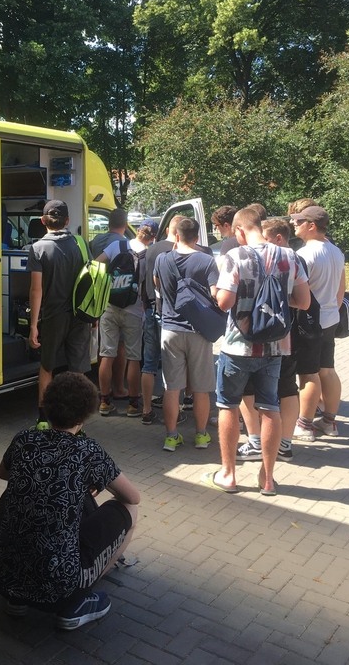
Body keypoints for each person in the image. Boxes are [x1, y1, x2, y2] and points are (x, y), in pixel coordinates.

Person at [0, 372, 140, 630]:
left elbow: (4, 473)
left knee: (14, 494)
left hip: (1, 576)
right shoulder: (88, 451)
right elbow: (133, 497)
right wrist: (91, 482)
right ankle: (78, 599)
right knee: (129, 510)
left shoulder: (24, 439)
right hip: (59, 588)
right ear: (84, 416)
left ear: (48, 406)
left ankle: (17, 598)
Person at [203, 208, 309, 496]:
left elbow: (225, 303)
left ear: (239, 230)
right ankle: (268, 479)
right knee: (270, 407)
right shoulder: (289, 256)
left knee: (227, 405)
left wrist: (219, 293)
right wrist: (275, 299)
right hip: (275, 346)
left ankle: (228, 475)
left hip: (238, 346)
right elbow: (303, 301)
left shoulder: (235, 256)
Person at [236, 218, 318, 463]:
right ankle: (285, 444)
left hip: (256, 335)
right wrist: (283, 299)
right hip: (286, 334)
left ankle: (255, 442)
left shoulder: (253, 258)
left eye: (267, 237)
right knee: (287, 388)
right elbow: (304, 302)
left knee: (248, 389)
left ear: (278, 237)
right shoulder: (295, 259)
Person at [153, 218, 217, 452]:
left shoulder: (162, 259)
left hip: (170, 329)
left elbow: (157, 285)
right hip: (198, 331)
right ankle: (201, 436)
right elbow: (215, 294)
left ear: (176, 235)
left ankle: (171, 437)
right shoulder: (207, 261)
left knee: (172, 388)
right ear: (197, 237)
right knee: (201, 388)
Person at [27, 199, 92, 427]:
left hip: (53, 316)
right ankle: (77, 424)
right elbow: (90, 280)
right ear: (67, 220)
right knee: (78, 370)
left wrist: (33, 325)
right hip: (80, 314)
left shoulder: (37, 248)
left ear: (43, 221)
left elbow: (36, 290)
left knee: (47, 367)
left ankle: (43, 419)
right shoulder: (81, 244)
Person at [291, 205, 346, 438]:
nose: (294, 223)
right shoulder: (336, 251)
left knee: (308, 373)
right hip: (330, 318)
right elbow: (341, 290)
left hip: (309, 322)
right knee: (327, 370)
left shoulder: (305, 254)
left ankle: (304, 425)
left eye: (299, 221)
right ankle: (329, 422)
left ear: (311, 226)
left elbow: (297, 293)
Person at [94, 221, 156, 417]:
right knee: (133, 357)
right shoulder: (149, 255)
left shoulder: (117, 245)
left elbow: (96, 264)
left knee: (107, 354)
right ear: (153, 237)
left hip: (109, 306)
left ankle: (104, 402)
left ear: (137, 231)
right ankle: (133, 405)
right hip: (134, 310)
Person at [89, 207, 129, 399]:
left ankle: (102, 389)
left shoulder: (96, 240)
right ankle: (119, 388)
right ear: (125, 224)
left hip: (97, 298)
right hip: (117, 299)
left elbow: (92, 265)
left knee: (103, 347)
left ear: (109, 223)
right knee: (119, 347)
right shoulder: (123, 243)